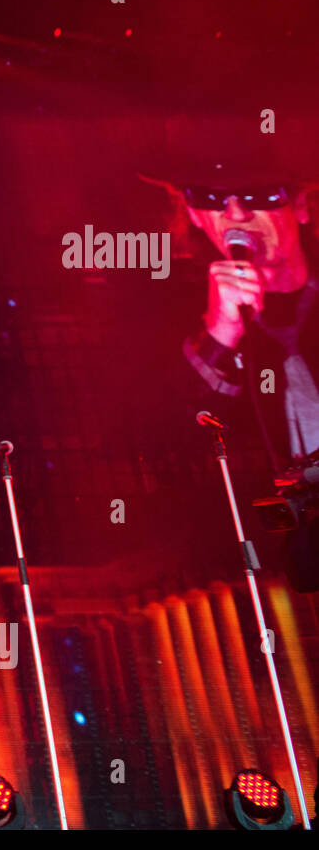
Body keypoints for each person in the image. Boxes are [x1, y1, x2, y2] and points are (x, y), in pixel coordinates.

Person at [143, 134, 319, 590]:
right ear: (197, 216)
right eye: (211, 199)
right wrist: (221, 335)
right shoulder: (166, 321)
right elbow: (174, 443)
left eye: (262, 196)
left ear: (300, 206)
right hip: (278, 573)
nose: (236, 214)